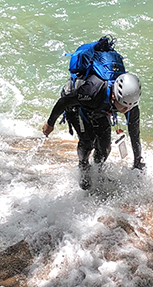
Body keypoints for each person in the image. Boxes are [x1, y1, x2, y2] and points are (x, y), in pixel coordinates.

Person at [42, 44, 144, 189]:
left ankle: (98, 169)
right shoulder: (92, 92)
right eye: (123, 106)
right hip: (76, 104)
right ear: (114, 95)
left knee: (104, 147)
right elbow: (64, 102)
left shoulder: (129, 103)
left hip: (99, 107)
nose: (126, 110)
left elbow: (135, 134)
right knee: (88, 140)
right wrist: (50, 124)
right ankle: (83, 165)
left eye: (129, 107)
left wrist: (138, 162)